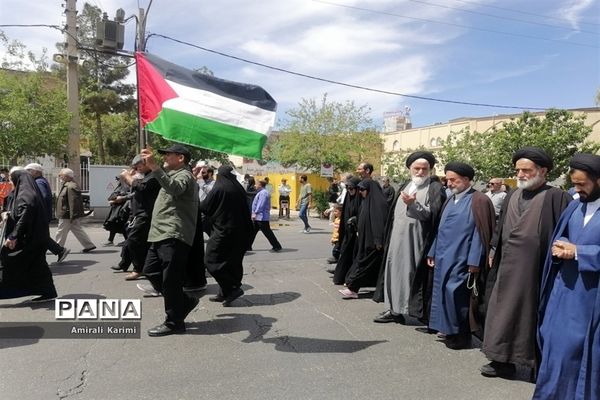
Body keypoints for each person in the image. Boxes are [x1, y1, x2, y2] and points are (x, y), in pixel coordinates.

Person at [481, 147, 571, 378]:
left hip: (536, 270)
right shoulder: (513, 194)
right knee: (502, 312)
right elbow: (500, 229)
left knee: (531, 315)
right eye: (518, 170)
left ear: (543, 171)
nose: (520, 174)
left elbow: (566, 233)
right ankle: (502, 360)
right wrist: (493, 249)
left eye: (526, 170)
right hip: (507, 266)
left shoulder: (557, 197)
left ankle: (534, 363)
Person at [532, 153, 600, 399]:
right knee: (554, 348)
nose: (577, 189)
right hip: (563, 293)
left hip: (590, 300)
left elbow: (580, 249)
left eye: (583, 184)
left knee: (580, 356)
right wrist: (560, 247)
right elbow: (564, 237)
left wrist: (580, 252)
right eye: (575, 184)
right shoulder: (574, 205)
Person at [427, 162, 495, 349]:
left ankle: (461, 335)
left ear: (466, 179)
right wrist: (432, 251)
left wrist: (474, 261)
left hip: (463, 258)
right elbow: (439, 229)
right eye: (447, 179)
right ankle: (447, 329)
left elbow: (480, 233)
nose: (449, 183)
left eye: (453, 180)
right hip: (443, 256)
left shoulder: (479, 200)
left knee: (457, 296)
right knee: (444, 294)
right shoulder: (450, 199)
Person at [373, 152, 446, 326]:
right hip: (395, 240)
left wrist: (414, 205)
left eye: (424, 169)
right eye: (417, 168)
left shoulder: (434, 188)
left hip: (415, 242)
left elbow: (433, 216)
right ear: (409, 169)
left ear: (430, 170)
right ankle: (393, 309)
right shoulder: (406, 185)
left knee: (407, 275)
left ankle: (409, 309)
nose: (420, 172)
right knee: (392, 272)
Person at [138, 144, 199, 337]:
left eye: (168, 154)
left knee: (170, 281)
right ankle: (185, 301)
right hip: (160, 234)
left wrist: (155, 167)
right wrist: (151, 164)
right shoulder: (169, 174)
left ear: (180, 158)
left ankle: (174, 322)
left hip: (173, 234)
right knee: (150, 271)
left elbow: (176, 189)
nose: (164, 157)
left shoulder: (184, 175)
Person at [0, 169, 57, 302]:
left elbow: (25, 215)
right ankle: (48, 292)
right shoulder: (29, 193)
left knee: (11, 261)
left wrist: (13, 236)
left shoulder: (26, 195)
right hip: (37, 237)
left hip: (30, 239)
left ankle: (6, 292)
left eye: (11, 180)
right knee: (37, 266)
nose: (9, 182)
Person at [200, 165, 253, 307]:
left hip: (223, 232)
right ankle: (225, 292)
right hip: (240, 232)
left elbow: (205, 207)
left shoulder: (219, 188)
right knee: (232, 262)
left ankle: (231, 289)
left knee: (211, 260)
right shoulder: (239, 188)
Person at [339, 178, 388, 299]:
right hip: (365, 240)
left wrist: (378, 240)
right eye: (359, 189)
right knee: (367, 264)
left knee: (364, 264)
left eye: (362, 189)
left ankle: (352, 287)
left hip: (374, 242)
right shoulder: (366, 201)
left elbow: (379, 223)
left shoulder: (378, 203)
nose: (360, 192)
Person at [116, 155, 161, 281]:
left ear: (148, 163)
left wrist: (128, 177)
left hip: (146, 214)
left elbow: (141, 187)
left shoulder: (154, 175)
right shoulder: (144, 176)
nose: (138, 168)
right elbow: (134, 187)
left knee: (133, 240)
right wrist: (127, 177)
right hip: (138, 213)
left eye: (140, 165)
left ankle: (139, 269)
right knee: (140, 242)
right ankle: (145, 268)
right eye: (136, 166)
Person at [24, 163, 70, 263]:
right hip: (43, 215)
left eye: (28, 171)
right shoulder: (39, 181)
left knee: (40, 235)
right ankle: (58, 251)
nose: (26, 173)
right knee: (41, 235)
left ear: (36, 172)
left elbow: (42, 197)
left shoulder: (39, 182)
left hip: (41, 215)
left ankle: (59, 251)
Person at [55, 168, 96, 253]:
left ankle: (57, 248)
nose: (60, 177)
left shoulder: (71, 186)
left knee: (61, 231)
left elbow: (73, 202)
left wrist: (73, 216)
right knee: (77, 230)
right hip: (68, 214)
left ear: (66, 176)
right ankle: (89, 245)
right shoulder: (68, 185)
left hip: (67, 215)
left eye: (61, 175)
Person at [331, 177, 362, 283]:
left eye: (352, 188)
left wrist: (356, 220)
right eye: (347, 188)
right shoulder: (348, 199)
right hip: (347, 233)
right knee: (345, 253)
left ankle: (351, 278)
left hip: (357, 233)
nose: (349, 190)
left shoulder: (361, 200)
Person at [249, 179, 282, 252]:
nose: (255, 185)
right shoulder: (261, 192)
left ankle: (277, 246)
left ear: (260, 185)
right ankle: (247, 246)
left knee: (267, 232)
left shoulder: (263, 193)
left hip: (261, 217)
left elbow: (261, 205)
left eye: (256, 184)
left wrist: (255, 213)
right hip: (259, 217)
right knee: (252, 231)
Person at [102, 176, 130, 246]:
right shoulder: (120, 186)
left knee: (121, 224)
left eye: (118, 179)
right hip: (115, 208)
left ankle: (127, 240)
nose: (117, 181)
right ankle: (110, 240)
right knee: (113, 224)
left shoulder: (126, 187)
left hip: (120, 209)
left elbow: (123, 196)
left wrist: (115, 200)